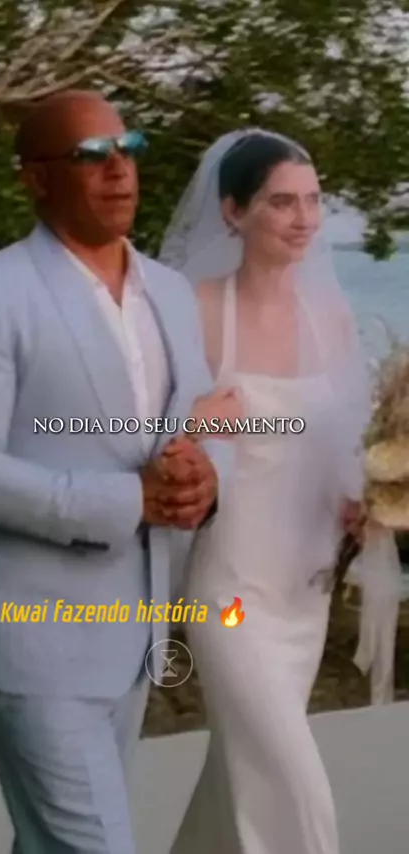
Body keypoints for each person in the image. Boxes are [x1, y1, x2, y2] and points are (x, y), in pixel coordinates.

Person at [0, 90, 234, 854]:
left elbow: (195, 422)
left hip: (134, 634)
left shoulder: (169, 291)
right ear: (36, 178)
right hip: (33, 640)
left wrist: (206, 477)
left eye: (128, 149)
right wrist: (127, 500)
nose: (118, 169)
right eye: (90, 156)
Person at [158, 129, 371, 854]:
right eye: (282, 202)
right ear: (232, 211)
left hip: (305, 583)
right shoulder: (195, 307)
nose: (304, 218)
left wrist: (364, 498)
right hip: (230, 588)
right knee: (291, 783)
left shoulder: (332, 317)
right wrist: (189, 427)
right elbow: (145, 431)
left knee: (242, 776)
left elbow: (345, 446)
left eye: (312, 200)